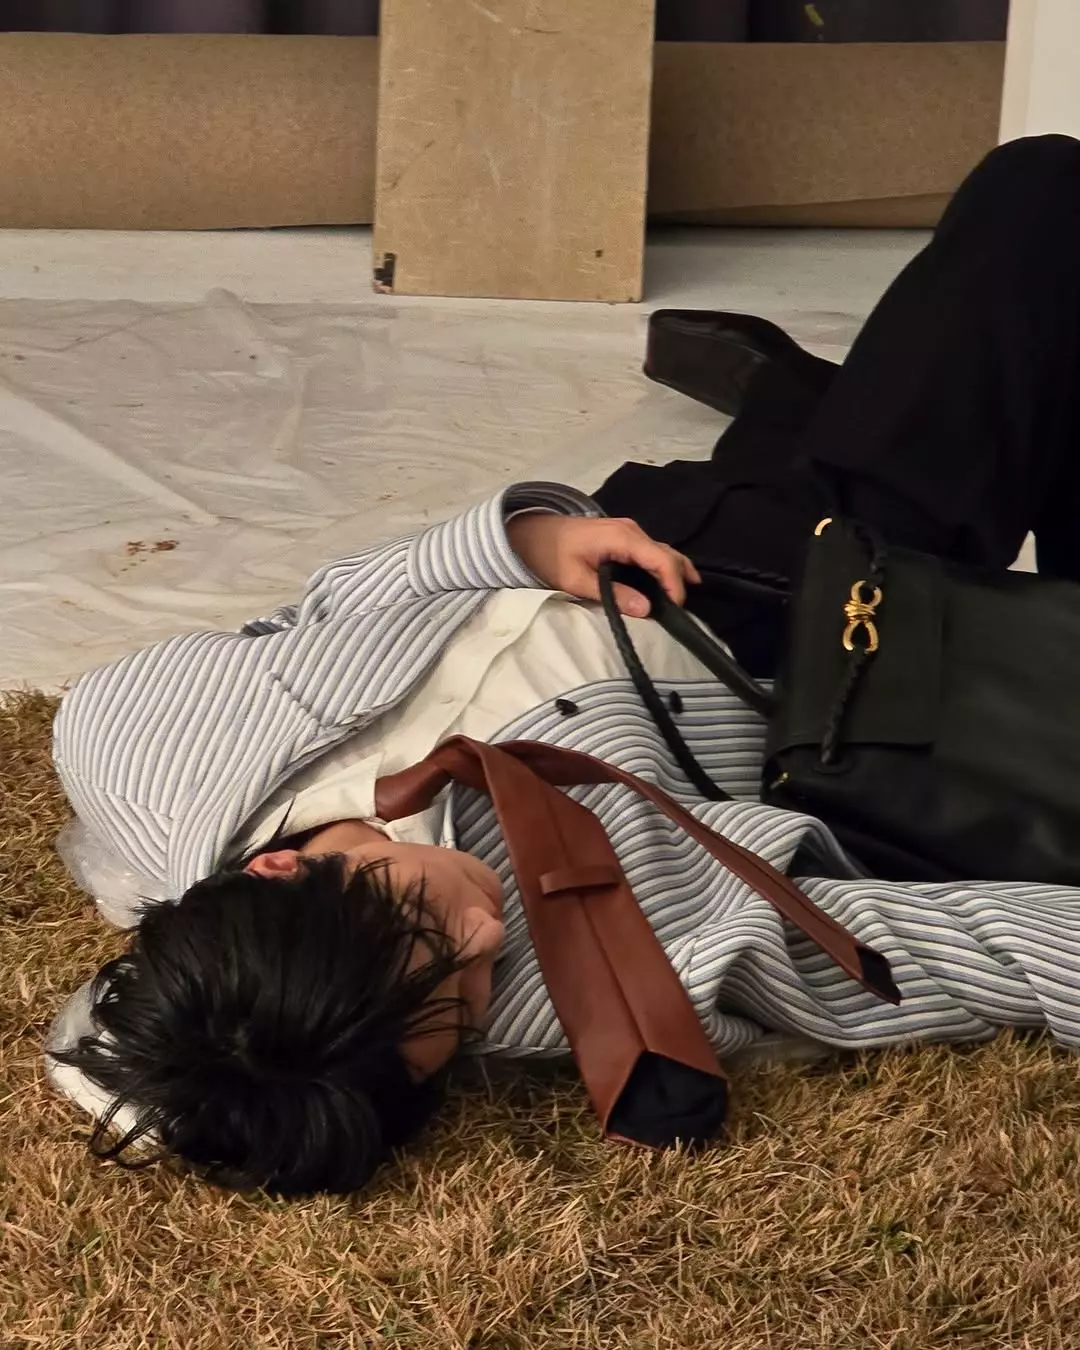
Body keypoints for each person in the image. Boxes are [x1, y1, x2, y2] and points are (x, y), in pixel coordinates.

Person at [48, 134, 1080, 1196]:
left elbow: (316, 612)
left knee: (860, 424)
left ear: (276, 871)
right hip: (834, 629)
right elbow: (960, 948)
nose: (489, 933)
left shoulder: (130, 736)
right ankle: (827, 409)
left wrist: (520, 544)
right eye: (466, 1007)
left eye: (431, 934)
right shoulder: (592, 981)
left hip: (644, 535)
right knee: (1042, 199)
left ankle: (802, 408)